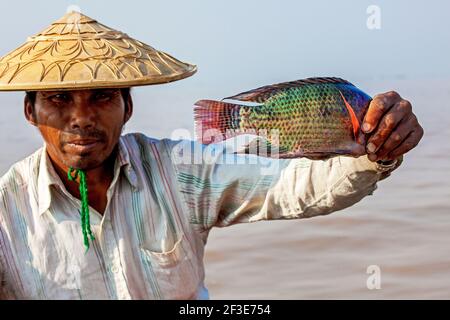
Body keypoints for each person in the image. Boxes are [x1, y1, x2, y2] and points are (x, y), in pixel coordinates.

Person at [0, 12, 423, 300]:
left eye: (102, 97)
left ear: (127, 107)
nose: (81, 118)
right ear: (30, 111)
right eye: (58, 99)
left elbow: (294, 188)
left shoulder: (178, 172)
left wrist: (375, 152)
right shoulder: (5, 212)